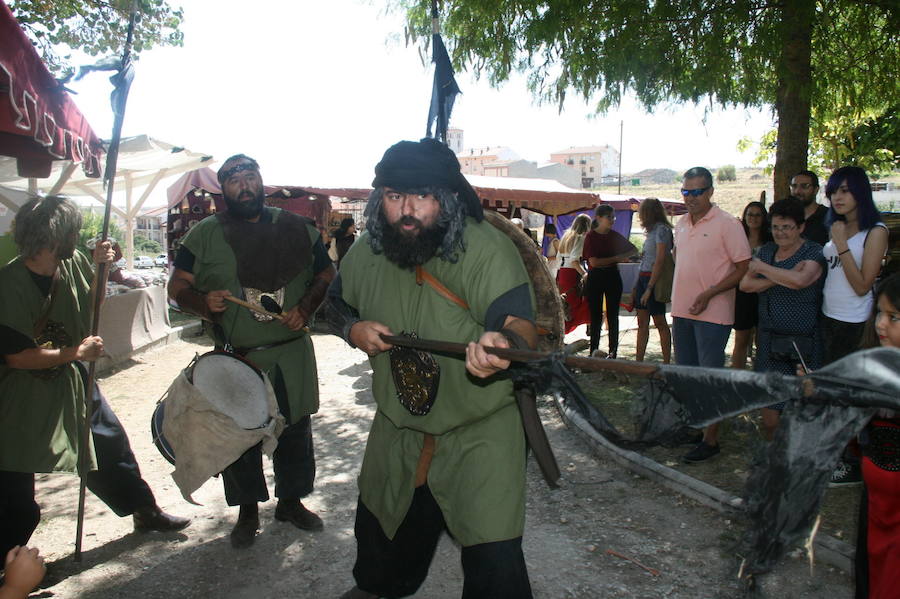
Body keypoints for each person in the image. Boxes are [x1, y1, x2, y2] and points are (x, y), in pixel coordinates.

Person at [324, 138, 538, 599]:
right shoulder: (368, 250)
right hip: (399, 428)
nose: (407, 210)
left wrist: (505, 343)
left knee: (494, 560)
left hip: (478, 431)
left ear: (448, 198)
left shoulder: (485, 249)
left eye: (421, 196)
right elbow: (333, 304)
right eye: (395, 196)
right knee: (382, 538)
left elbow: (520, 323)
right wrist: (352, 329)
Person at [0, 196, 190, 561]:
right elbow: (18, 357)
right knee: (14, 484)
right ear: (56, 235)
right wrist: (77, 353)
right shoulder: (8, 283)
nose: (78, 234)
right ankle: (9, 562)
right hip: (21, 393)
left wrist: (102, 268)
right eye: (72, 229)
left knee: (109, 444)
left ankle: (143, 510)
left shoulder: (68, 263)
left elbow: (91, 305)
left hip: (71, 380)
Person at [167, 154, 335, 548]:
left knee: (294, 430)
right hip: (238, 354)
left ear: (261, 181)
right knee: (239, 436)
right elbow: (176, 287)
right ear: (223, 189)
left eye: (250, 176)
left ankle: (290, 503)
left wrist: (306, 307)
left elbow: (325, 272)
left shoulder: (297, 227)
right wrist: (203, 303)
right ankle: (246, 512)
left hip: (290, 351)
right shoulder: (205, 234)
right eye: (234, 180)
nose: (244, 185)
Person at [672, 167, 751, 463]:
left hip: (713, 315)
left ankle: (711, 439)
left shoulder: (728, 224)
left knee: (710, 378)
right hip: (681, 311)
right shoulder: (680, 224)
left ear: (710, 192)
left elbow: (742, 267)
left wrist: (709, 294)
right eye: (685, 191)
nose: (690, 197)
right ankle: (694, 428)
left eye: (696, 192)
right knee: (689, 375)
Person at [820, 166, 889, 487]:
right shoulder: (836, 228)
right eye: (834, 191)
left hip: (857, 325)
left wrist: (842, 245)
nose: (838, 197)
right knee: (834, 394)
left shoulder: (875, 231)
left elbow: (863, 285)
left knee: (854, 397)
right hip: (829, 319)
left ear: (861, 192)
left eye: (845, 190)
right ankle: (841, 456)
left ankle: (858, 462)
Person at [738, 198, 824, 439]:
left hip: (805, 344)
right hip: (769, 342)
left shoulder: (814, 251)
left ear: (801, 227)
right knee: (770, 416)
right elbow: (745, 284)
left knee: (805, 412)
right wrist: (780, 276)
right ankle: (774, 461)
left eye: (786, 227)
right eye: (776, 227)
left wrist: (763, 270)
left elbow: (801, 281)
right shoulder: (767, 251)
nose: (780, 233)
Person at [855, 274, 900, 599]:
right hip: (876, 508)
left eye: (894, 317)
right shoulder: (873, 369)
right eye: (879, 313)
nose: (881, 324)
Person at [581, 204, 637, 358]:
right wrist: (617, 258)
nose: (612, 220)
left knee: (613, 316)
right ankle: (594, 351)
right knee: (596, 316)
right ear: (599, 218)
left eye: (613, 217)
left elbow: (633, 249)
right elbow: (594, 263)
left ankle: (613, 352)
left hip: (612, 275)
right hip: (596, 277)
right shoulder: (591, 237)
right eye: (609, 217)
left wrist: (617, 257)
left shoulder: (614, 235)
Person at [731, 201, 772, 369]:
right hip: (741, 294)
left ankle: (760, 376)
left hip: (765, 292)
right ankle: (736, 378)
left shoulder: (771, 240)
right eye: (750, 214)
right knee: (741, 339)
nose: (753, 218)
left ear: (764, 218)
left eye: (757, 215)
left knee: (762, 340)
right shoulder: (737, 239)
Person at [633, 198, 673, 363]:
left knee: (659, 321)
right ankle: (638, 362)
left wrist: (650, 288)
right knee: (642, 322)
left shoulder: (662, 230)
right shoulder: (650, 231)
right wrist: (637, 285)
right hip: (643, 277)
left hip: (653, 279)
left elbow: (660, 260)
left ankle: (666, 362)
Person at [556, 214, 592, 333]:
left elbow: (558, 258)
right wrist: (584, 273)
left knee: (564, 306)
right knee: (572, 307)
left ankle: (560, 333)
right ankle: (562, 334)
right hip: (571, 274)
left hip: (562, 273)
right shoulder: (580, 238)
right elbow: (574, 260)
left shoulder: (566, 236)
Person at [791, 170, 829, 245]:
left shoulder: (828, 216)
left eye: (804, 186)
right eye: (794, 186)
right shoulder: (786, 216)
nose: (797, 191)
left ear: (816, 190)